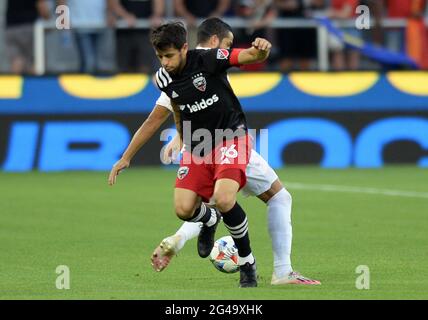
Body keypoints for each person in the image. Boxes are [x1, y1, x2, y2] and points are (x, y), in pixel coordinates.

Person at [108, 18, 320, 286]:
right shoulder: (171, 73)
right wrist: (134, 154)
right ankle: (276, 267)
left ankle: (251, 262)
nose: (165, 61)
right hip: (201, 145)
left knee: (226, 197)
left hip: (229, 139)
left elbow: (250, 55)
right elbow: (169, 111)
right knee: (230, 202)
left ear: (185, 48)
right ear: (214, 41)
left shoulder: (210, 60)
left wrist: (263, 50)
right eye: (160, 56)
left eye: (168, 56)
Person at [5, 0, 50, 74]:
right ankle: (35, 85)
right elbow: (41, 5)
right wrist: (49, 20)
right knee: (36, 63)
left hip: (11, 27)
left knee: (16, 61)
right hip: (29, 26)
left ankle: (16, 84)